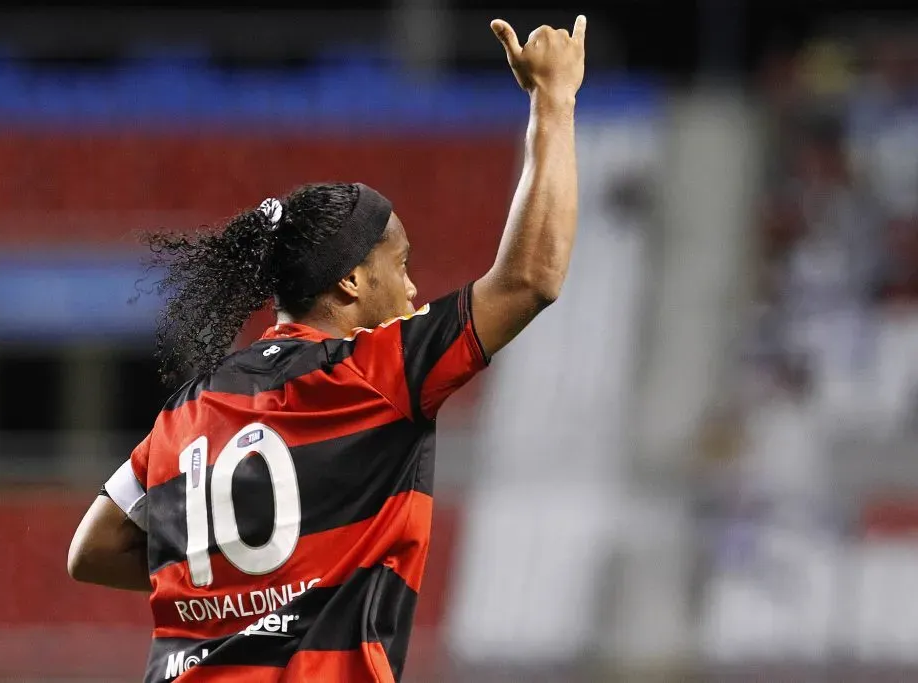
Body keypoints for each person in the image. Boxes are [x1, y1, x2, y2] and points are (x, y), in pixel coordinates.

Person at [68, 13, 587, 683]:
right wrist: (554, 99)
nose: (412, 288)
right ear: (350, 279)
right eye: (400, 265)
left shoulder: (188, 409)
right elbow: (530, 278)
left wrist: (234, 592)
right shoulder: (373, 373)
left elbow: (92, 548)